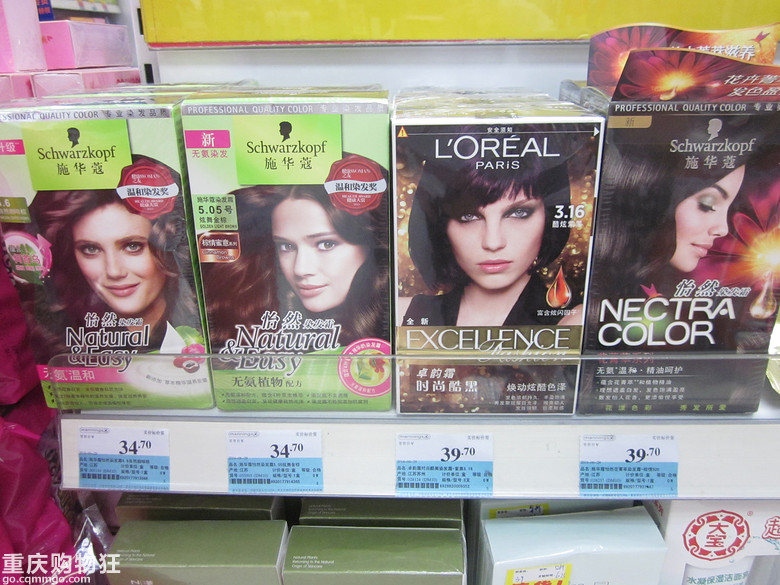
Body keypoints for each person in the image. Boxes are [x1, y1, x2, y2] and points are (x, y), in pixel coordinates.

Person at [20, 159, 200, 358]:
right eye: (90, 249)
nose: (114, 271)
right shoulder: (55, 339)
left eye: (133, 246)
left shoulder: (209, 324)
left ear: (169, 245)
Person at [399, 137, 575, 327]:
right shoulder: (401, 315)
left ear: (548, 217)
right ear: (442, 225)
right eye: (468, 216)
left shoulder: (573, 323)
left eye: (519, 213)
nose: (493, 242)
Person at [202, 182, 389, 349]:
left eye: (326, 244)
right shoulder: (259, 316)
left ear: (369, 243)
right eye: (286, 246)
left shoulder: (396, 318)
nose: (301, 269)